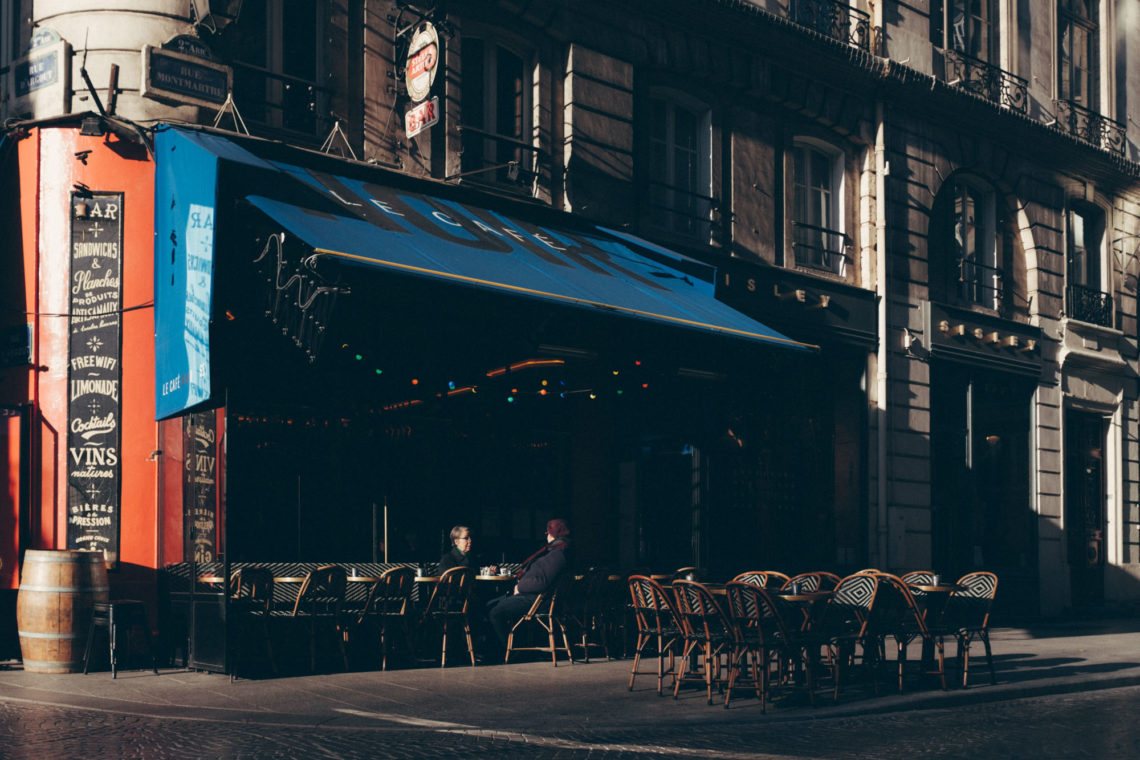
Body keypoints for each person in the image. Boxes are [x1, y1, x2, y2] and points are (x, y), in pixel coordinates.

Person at [485, 518, 573, 656]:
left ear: (555, 533)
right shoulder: (556, 550)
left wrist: (520, 587)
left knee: (495, 612)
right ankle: (498, 648)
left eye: (549, 531)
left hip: (537, 600)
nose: (546, 534)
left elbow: (542, 582)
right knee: (489, 604)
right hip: (533, 596)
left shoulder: (558, 553)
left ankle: (509, 651)